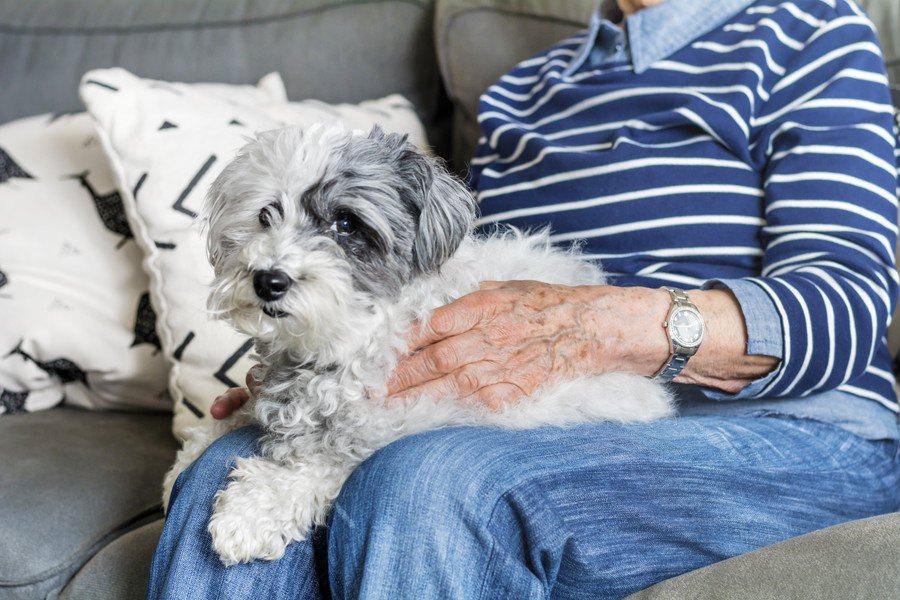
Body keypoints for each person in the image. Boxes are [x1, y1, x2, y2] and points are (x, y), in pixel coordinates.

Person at [148, 0, 900, 598]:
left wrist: (610, 326)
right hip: (553, 413)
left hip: (792, 428)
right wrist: (316, 368)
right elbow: (447, 282)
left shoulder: (811, 30)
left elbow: (847, 301)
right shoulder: (523, 88)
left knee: (429, 484)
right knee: (225, 474)